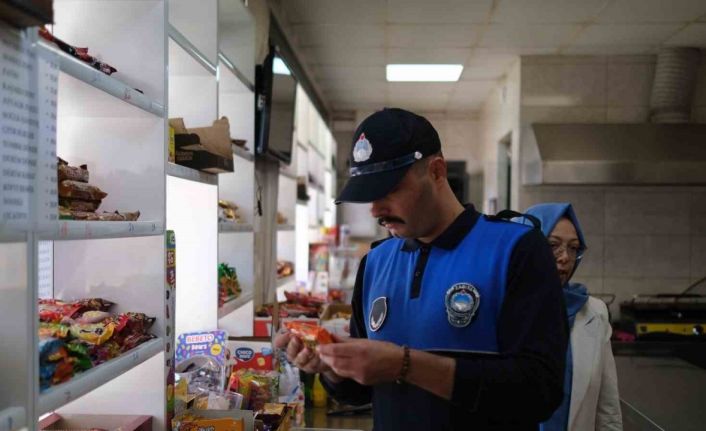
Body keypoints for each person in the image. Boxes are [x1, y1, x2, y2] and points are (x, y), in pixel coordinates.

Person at [274, 108, 568, 430]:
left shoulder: (517, 249)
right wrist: (328, 365)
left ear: (437, 171)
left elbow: (540, 392)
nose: (375, 210)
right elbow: (360, 393)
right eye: (369, 196)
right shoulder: (375, 263)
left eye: (389, 190)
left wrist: (405, 365)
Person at [520, 203, 622, 431]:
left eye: (574, 248)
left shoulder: (594, 313)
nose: (565, 257)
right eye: (552, 245)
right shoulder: (500, 308)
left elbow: (608, 410)